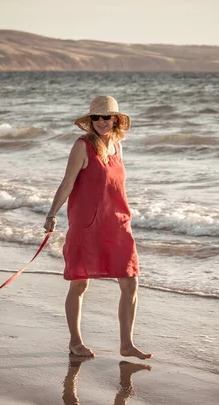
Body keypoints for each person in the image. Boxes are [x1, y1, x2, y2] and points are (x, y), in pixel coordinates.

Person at [44, 96, 152, 360]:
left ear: (115, 119)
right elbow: (67, 183)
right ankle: (75, 341)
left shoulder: (117, 146)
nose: (101, 122)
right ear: (90, 121)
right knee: (79, 284)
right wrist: (51, 213)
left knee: (130, 282)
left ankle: (126, 344)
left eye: (106, 117)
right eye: (96, 117)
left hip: (117, 223)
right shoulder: (82, 147)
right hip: (87, 225)